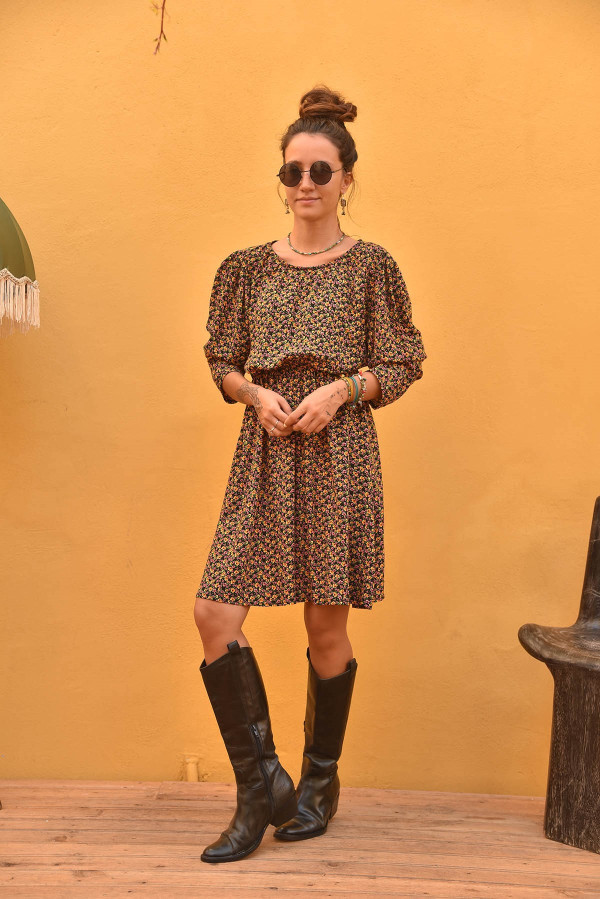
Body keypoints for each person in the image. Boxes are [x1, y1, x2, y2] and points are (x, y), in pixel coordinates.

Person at [193, 84, 427, 864]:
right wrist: (253, 393)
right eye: (293, 170)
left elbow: (403, 361)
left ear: (346, 178)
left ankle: (318, 782)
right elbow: (222, 358)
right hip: (264, 452)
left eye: (320, 170)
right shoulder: (244, 269)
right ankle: (262, 783)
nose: (305, 183)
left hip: (339, 454)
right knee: (214, 612)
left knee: (325, 625)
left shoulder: (373, 268)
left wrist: (343, 389)